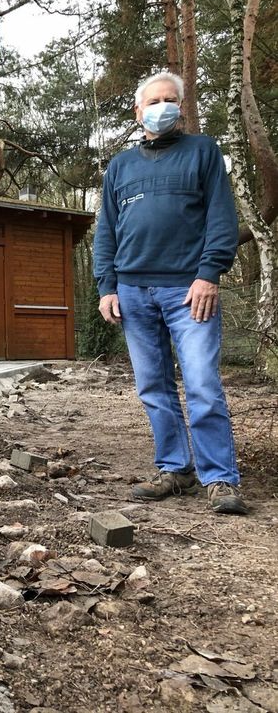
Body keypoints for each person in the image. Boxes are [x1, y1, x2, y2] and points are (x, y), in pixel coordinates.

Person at [93, 71, 247, 514]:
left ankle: (219, 478)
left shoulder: (203, 153)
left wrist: (209, 274)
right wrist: (107, 286)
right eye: (154, 100)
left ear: (180, 106)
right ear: (138, 111)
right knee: (153, 386)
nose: (163, 107)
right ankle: (176, 470)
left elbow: (221, 220)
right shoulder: (120, 166)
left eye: (170, 99)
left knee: (201, 382)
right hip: (133, 291)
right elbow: (107, 231)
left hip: (188, 290)